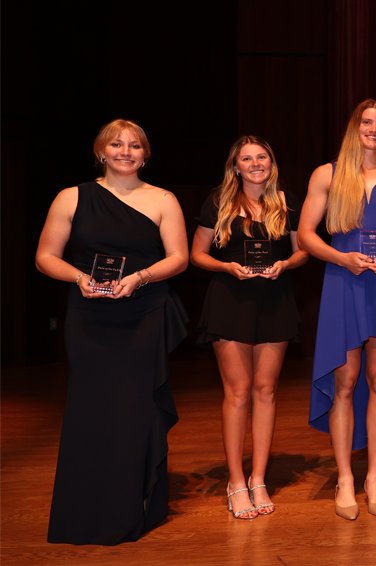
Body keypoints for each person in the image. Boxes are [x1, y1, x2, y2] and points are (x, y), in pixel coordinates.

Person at [36, 119, 188, 544]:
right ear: (101, 152)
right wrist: (79, 278)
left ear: (145, 154)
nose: (125, 151)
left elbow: (178, 258)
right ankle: (83, 513)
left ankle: (132, 508)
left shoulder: (163, 199)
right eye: (116, 144)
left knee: (134, 411)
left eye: (135, 145)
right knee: (90, 411)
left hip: (144, 315)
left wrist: (139, 277)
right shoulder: (71, 196)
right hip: (89, 316)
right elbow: (45, 257)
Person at [298, 99, 376, 520]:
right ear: (355, 127)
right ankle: (345, 478)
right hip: (343, 282)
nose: (373, 129)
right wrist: (342, 258)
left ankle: (373, 477)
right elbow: (306, 235)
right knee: (346, 382)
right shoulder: (327, 174)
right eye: (367, 122)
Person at [190, 136, 308, 519]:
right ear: (235, 166)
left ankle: (259, 478)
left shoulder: (287, 202)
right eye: (247, 158)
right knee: (238, 392)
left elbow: (303, 250)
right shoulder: (219, 201)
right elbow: (196, 254)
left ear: (271, 163)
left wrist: (286, 264)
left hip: (276, 301)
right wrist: (226, 267)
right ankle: (236, 481)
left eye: (262, 157)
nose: (256, 163)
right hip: (230, 301)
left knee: (266, 391)